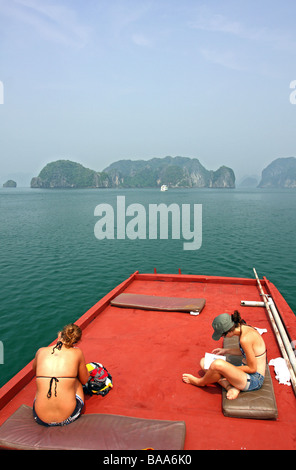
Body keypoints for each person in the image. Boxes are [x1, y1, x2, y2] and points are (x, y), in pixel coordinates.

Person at [182, 311, 266, 400]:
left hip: (254, 379)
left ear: (229, 332)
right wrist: (225, 351)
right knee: (204, 361)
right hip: (244, 370)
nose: (223, 338)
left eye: (223, 336)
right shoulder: (244, 327)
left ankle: (200, 382)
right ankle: (230, 387)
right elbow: (247, 352)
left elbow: (252, 368)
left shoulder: (245, 339)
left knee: (217, 365)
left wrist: (225, 370)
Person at [32, 323, 89, 426]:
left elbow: (35, 371)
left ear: (60, 334)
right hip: (67, 417)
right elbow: (85, 380)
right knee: (76, 380)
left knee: (42, 381)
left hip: (40, 418)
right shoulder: (77, 353)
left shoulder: (41, 351)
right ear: (76, 341)